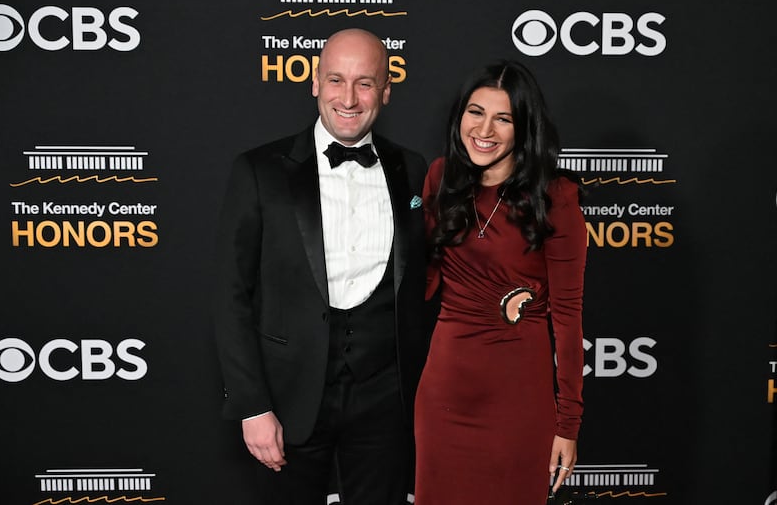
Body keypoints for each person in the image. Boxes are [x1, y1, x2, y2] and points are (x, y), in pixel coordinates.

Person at [212, 28, 429, 504]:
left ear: (387, 90)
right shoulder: (259, 171)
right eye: (336, 80)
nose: (348, 98)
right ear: (314, 83)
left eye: (365, 82)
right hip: (289, 399)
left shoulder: (413, 170)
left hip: (386, 402)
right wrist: (252, 406)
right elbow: (231, 296)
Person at [414, 60, 586, 504]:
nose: (484, 129)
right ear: (460, 117)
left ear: (523, 128)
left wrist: (568, 424)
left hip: (518, 399)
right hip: (444, 394)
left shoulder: (557, 199)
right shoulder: (441, 178)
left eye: (503, 118)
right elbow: (423, 283)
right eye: (476, 112)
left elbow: (567, 319)